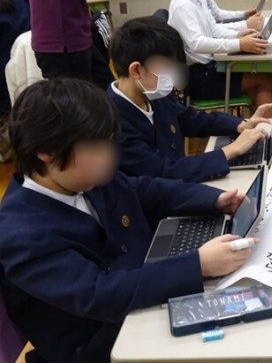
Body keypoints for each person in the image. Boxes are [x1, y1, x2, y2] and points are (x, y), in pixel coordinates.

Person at [0, 78, 258, 363]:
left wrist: (213, 199)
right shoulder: (22, 234)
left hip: (141, 295)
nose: (108, 157)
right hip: (103, 343)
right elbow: (99, 294)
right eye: (96, 147)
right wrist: (198, 265)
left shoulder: (79, 178)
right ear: (46, 152)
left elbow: (141, 189)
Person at [108, 16, 270, 182]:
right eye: (166, 66)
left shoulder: (150, 91)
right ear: (136, 70)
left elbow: (189, 118)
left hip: (181, 186)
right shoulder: (113, 123)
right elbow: (163, 172)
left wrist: (239, 124)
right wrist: (231, 150)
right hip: (166, 193)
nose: (171, 74)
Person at [168, 0, 272, 109]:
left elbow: (213, 28)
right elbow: (197, 43)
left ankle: (259, 120)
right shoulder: (182, 6)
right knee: (264, 78)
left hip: (209, 67)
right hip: (199, 77)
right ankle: (266, 123)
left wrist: (239, 35)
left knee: (257, 76)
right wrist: (240, 44)